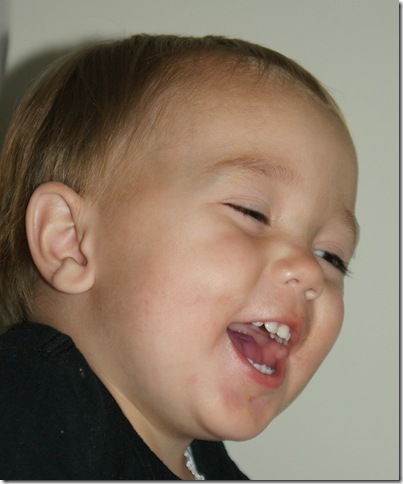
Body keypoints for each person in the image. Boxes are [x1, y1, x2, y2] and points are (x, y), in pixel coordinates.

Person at [0, 34, 359, 480]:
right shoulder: (26, 404)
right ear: (70, 242)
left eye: (331, 256)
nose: (310, 271)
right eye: (251, 211)